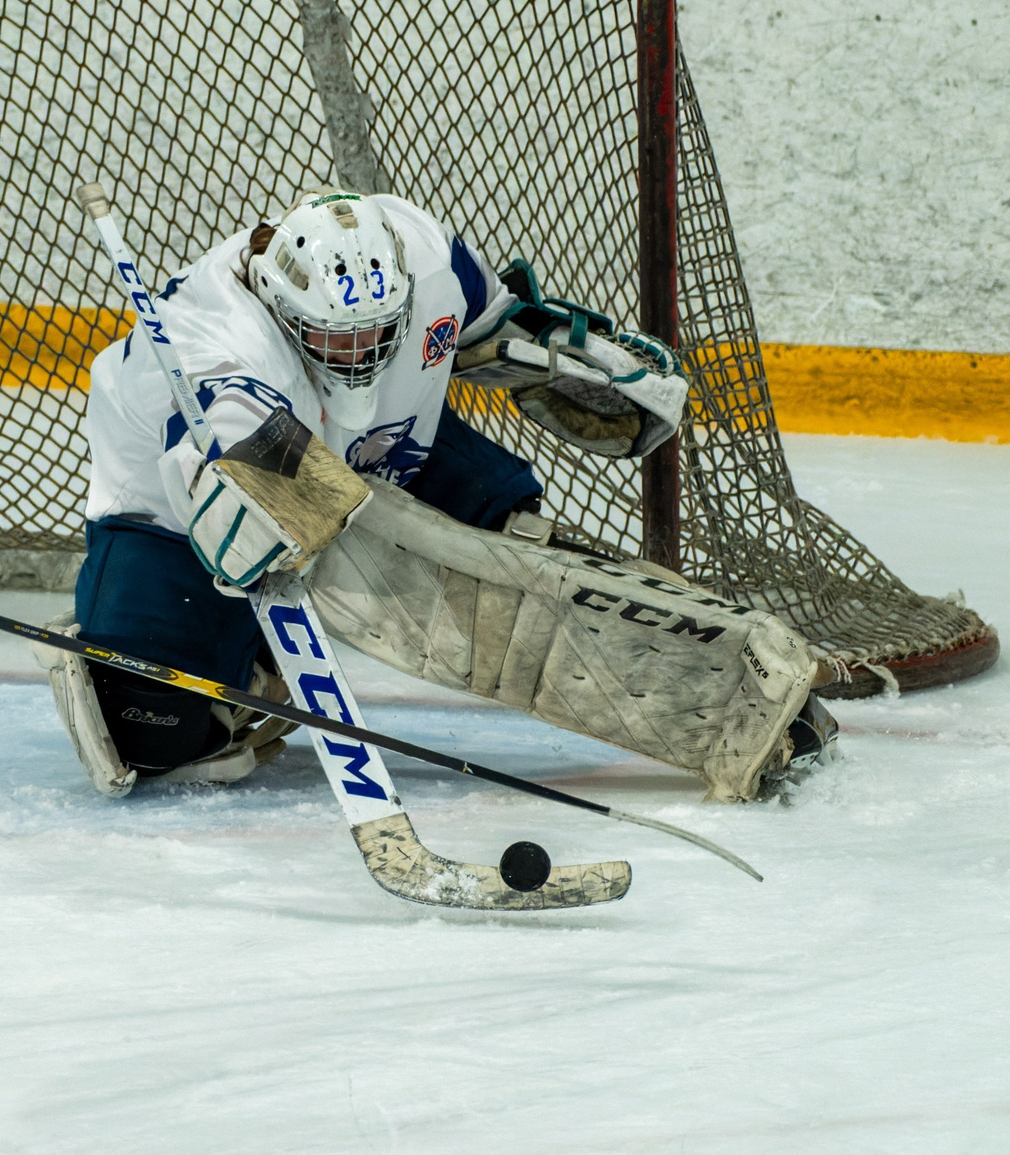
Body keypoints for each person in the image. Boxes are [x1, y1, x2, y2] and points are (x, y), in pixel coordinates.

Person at [41, 187, 833, 802]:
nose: (358, 357)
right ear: (284, 311)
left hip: (384, 449)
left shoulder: (423, 254)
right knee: (149, 729)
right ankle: (237, 658)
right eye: (333, 340)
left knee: (514, 541)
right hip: (176, 516)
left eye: (375, 336)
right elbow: (268, 476)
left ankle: (728, 669)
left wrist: (555, 351)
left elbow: (494, 323)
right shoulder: (212, 336)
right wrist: (284, 515)